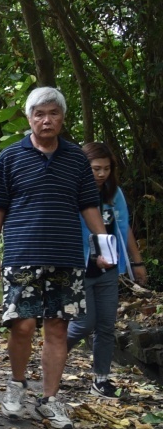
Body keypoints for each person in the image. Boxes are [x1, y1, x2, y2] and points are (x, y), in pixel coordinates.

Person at [0, 87, 109, 429]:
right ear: (29, 118)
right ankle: (16, 385)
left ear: (62, 118)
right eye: (39, 114)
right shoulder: (11, 157)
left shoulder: (76, 159)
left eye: (53, 113)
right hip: (23, 255)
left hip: (66, 256)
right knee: (22, 325)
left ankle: (50, 400)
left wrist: (103, 249)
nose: (46, 120)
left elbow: (89, 206)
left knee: (58, 328)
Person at [66, 143, 149, 398]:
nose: (101, 174)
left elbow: (124, 229)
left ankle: (101, 381)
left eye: (106, 169)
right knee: (83, 324)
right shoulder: (72, 191)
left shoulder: (114, 193)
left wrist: (137, 262)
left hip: (109, 268)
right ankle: (53, 352)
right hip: (79, 266)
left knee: (106, 325)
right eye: (95, 168)